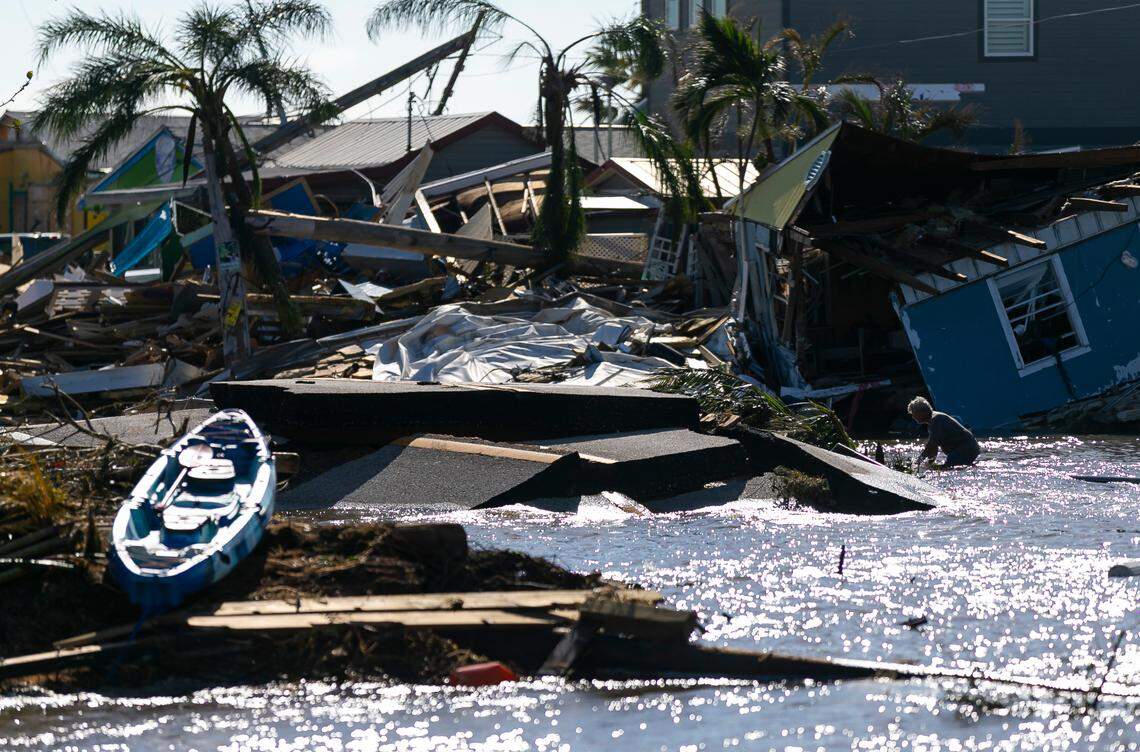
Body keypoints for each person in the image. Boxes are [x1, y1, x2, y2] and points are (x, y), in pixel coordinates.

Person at [907, 396, 981, 468]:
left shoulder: (936, 419)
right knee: (948, 466)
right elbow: (934, 448)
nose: (913, 417)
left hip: (966, 448)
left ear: (922, 412)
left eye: (914, 413)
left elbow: (932, 444)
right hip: (967, 449)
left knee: (948, 467)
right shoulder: (931, 423)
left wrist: (917, 462)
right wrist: (929, 464)